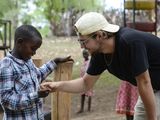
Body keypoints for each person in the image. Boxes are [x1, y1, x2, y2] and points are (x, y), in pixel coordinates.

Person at [40, 12, 160, 120]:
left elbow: (144, 82)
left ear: (99, 35)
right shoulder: (100, 54)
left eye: (84, 41)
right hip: (154, 89)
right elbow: (85, 84)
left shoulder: (129, 42)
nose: (82, 47)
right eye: (80, 42)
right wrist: (56, 86)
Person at [0, 25, 72, 120]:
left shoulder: (27, 60)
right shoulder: (7, 64)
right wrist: (36, 95)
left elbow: (38, 75)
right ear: (19, 42)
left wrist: (55, 62)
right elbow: (6, 99)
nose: (34, 53)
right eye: (33, 48)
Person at [77, 49, 93, 113]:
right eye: (84, 54)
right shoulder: (84, 62)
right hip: (82, 80)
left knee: (89, 94)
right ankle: (82, 108)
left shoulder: (90, 62)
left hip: (89, 80)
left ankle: (89, 108)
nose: (85, 55)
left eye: (86, 54)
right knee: (82, 94)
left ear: (88, 54)